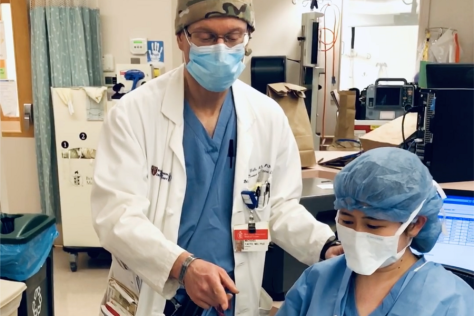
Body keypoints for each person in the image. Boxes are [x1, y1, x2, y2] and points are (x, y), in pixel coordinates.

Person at [90, 1, 343, 316]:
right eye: (206, 37)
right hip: (159, 290)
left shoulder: (267, 117)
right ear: (182, 38)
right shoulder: (134, 114)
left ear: (247, 39)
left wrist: (324, 246)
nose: (221, 49)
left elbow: (277, 207)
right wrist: (185, 267)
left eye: (233, 36)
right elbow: (117, 216)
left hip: (231, 293)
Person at [276, 147, 474, 316]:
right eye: (346, 221)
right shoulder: (317, 280)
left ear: (414, 225)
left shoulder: (451, 301)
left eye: (373, 226)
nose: (357, 233)